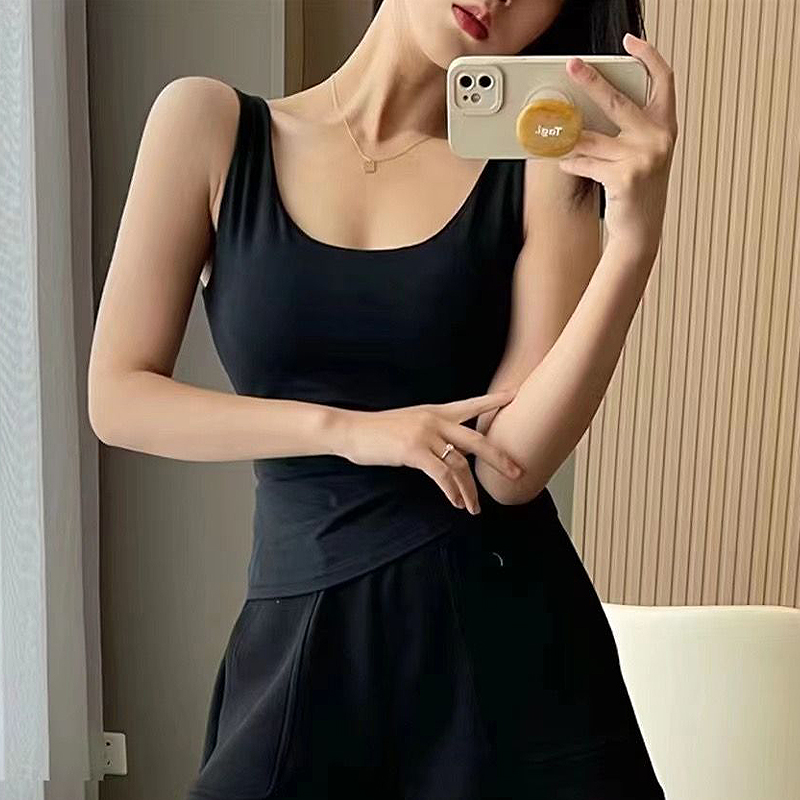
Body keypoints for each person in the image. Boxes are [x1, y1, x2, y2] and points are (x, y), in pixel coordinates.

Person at [87, 0, 677, 796]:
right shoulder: (207, 125)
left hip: (503, 646)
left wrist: (633, 241)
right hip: (303, 625)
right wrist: (349, 429)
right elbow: (119, 396)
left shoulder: (542, 170)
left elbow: (510, 467)